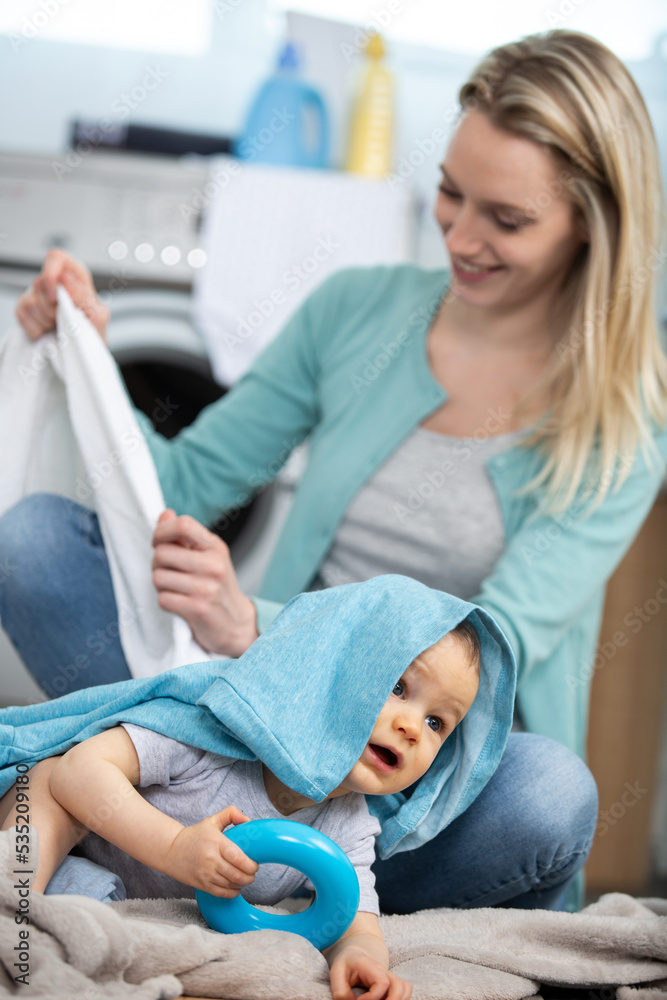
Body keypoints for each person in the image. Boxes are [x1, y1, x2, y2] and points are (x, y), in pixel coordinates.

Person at [4, 27, 662, 910]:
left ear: (591, 223)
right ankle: (164, 841)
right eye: (449, 193)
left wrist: (258, 627)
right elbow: (182, 486)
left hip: (409, 784)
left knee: (551, 792)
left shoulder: (623, 420)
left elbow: (498, 638)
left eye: (506, 219)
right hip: (249, 730)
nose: (461, 237)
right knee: (37, 542)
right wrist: (88, 358)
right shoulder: (356, 310)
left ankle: (150, 856)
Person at [0, 575, 506, 1000]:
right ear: (337, 670)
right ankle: (14, 900)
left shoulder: (349, 824)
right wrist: (175, 848)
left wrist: (360, 958)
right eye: (398, 688)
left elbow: (356, 918)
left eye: (438, 723)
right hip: (67, 838)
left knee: (92, 912)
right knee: (44, 781)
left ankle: (69, 921)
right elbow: (78, 771)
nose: (413, 728)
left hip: (114, 896)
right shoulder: (216, 734)